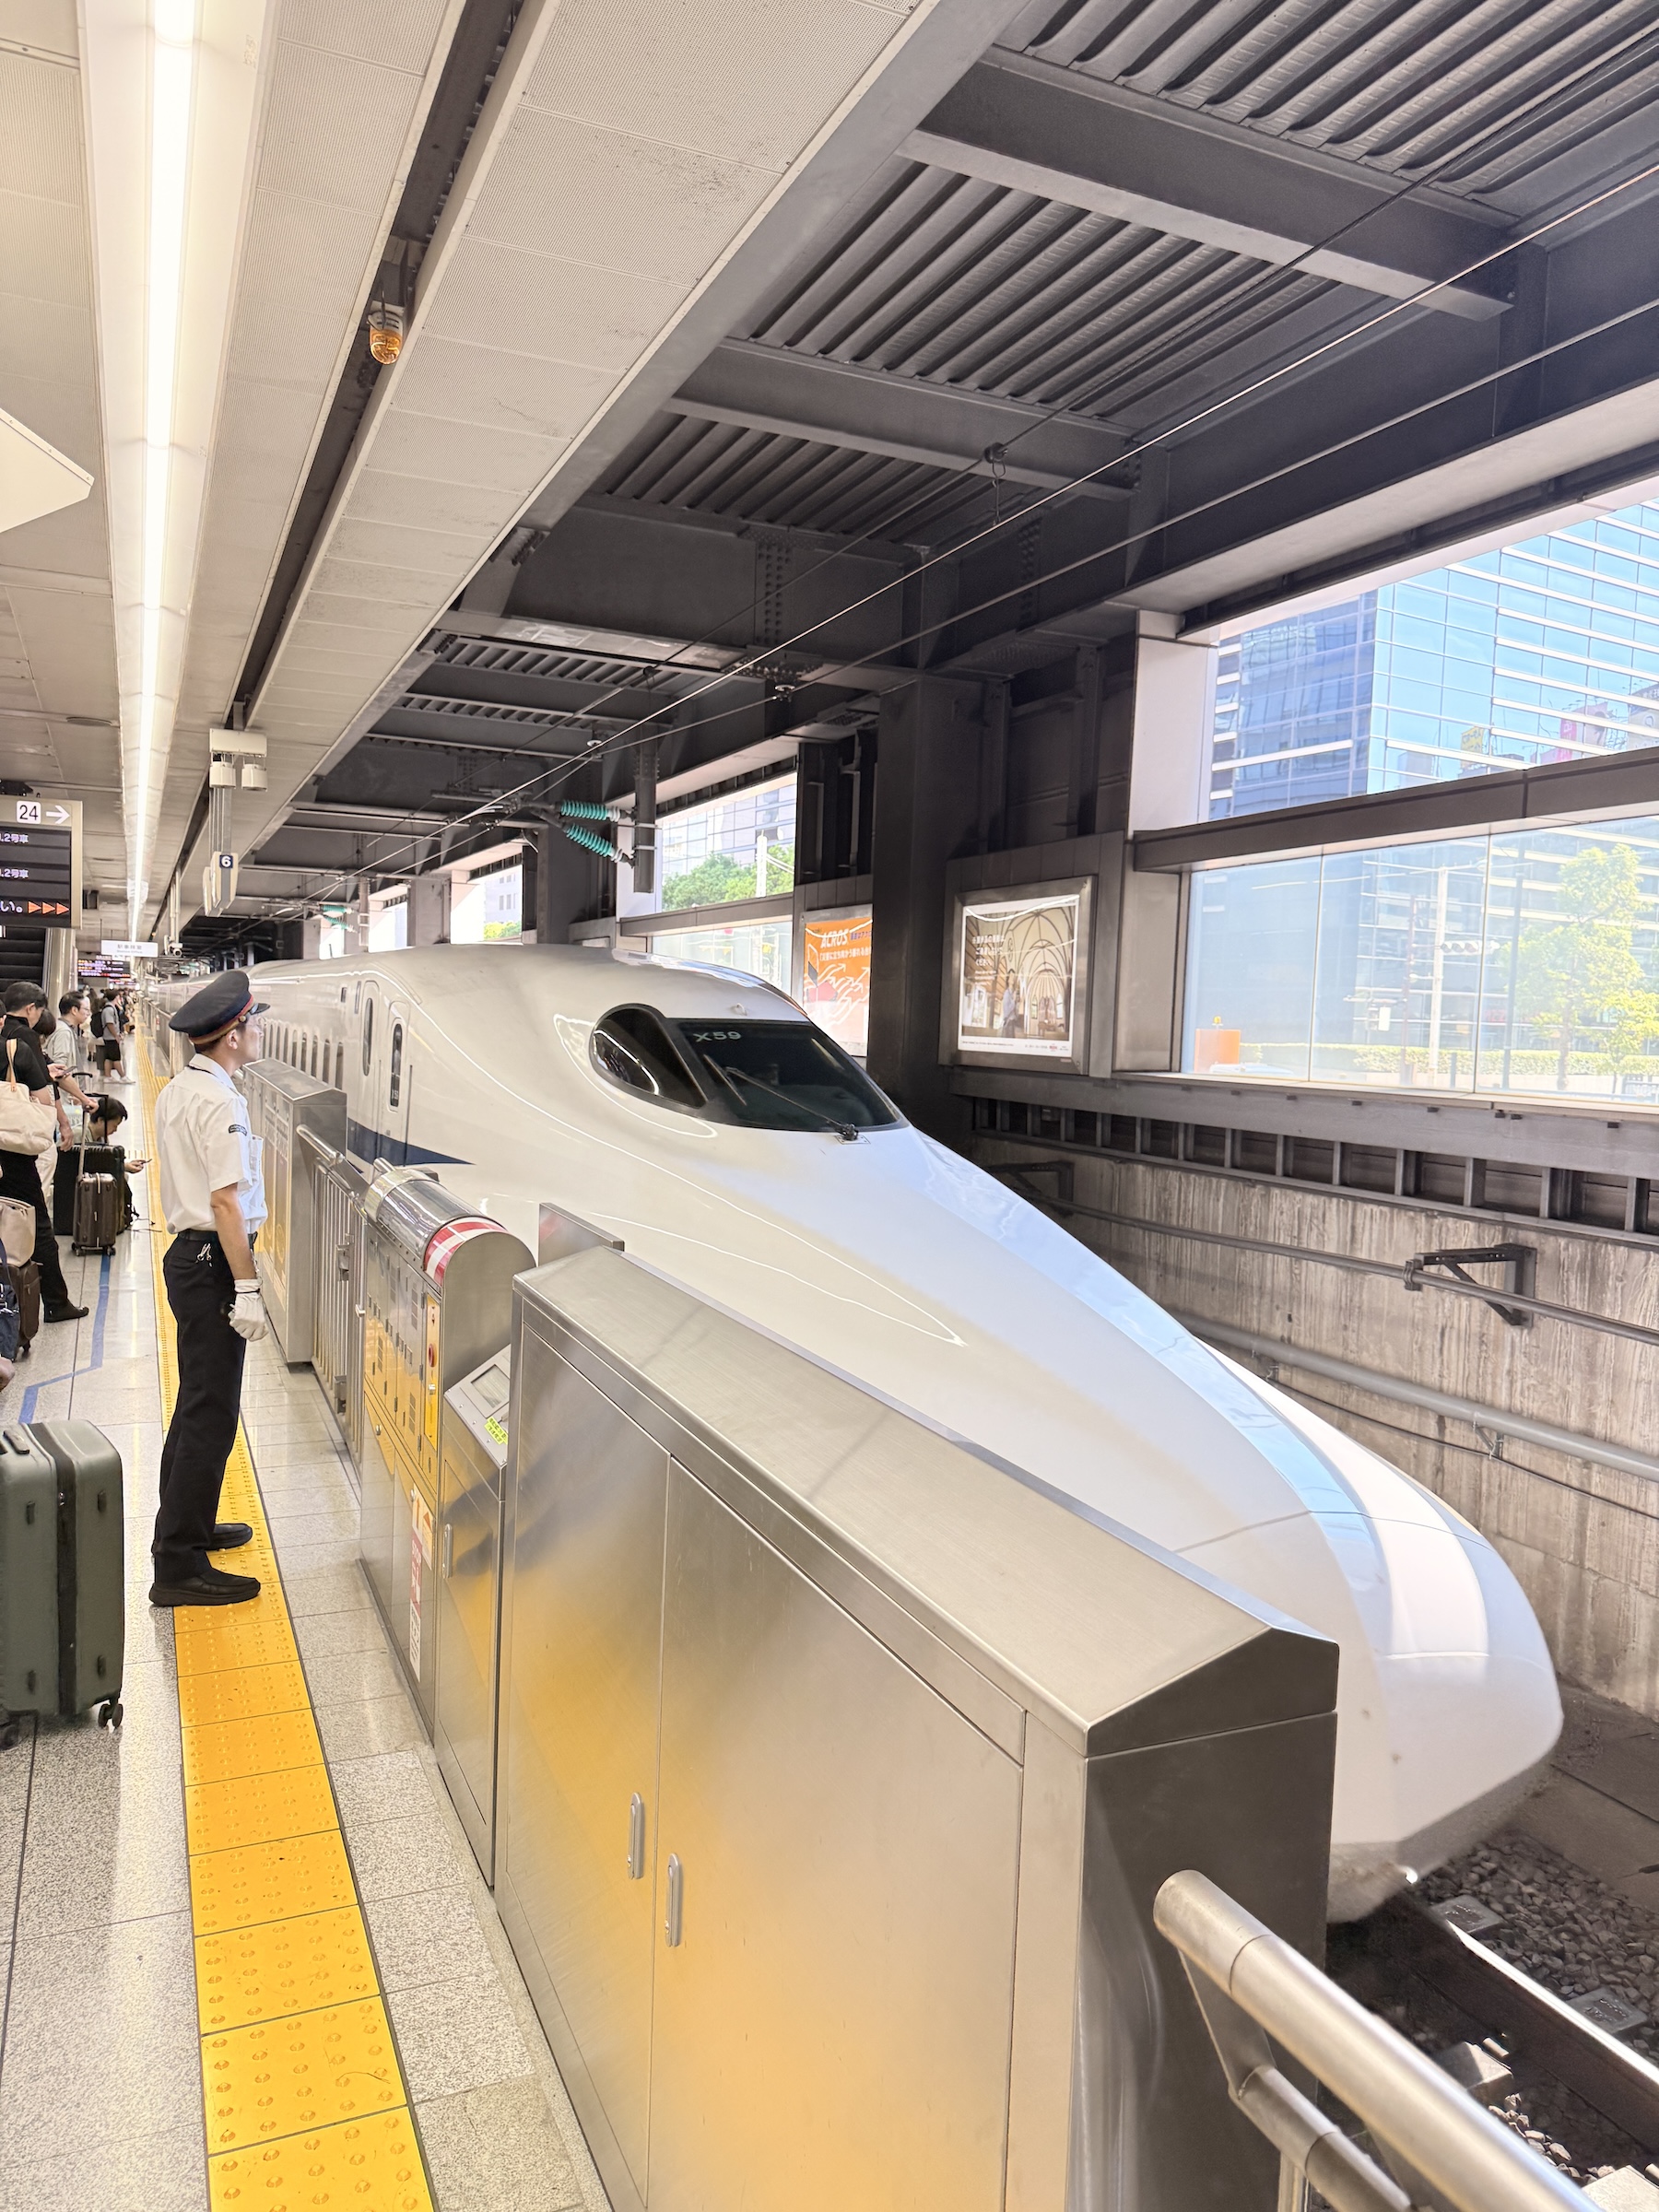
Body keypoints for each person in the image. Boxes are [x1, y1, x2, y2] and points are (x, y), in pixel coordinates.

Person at [150, 971, 270, 1608]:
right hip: (211, 1262)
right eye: (253, 1023)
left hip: (188, 1258)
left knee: (197, 1401)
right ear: (233, 1036)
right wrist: (245, 1286)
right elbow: (226, 1202)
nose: (259, 1031)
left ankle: (185, 1526)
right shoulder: (220, 1102)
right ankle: (177, 1563)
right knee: (212, 1412)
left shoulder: (182, 1088)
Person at [0, 983, 88, 1324]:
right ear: (32, 1009)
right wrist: (63, 1122)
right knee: (36, 1221)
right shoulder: (22, 1042)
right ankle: (55, 1301)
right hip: (12, 1151)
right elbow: (43, 1098)